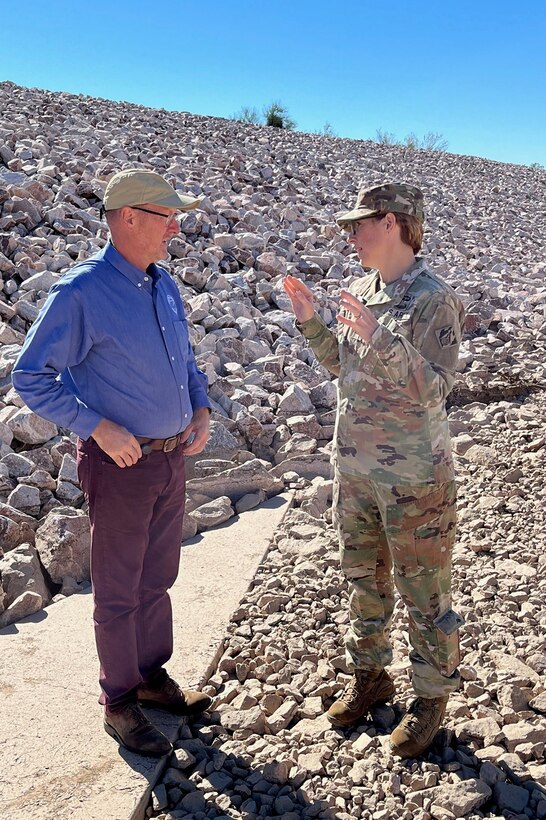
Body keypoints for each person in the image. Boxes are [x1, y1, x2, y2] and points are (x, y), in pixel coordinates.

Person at [13, 169, 213, 757]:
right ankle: (119, 700)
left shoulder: (163, 284)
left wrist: (199, 407)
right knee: (120, 590)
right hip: (121, 467)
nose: (176, 226)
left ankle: (151, 678)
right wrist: (96, 426)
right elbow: (31, 376)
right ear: (128, 218)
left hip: (170, 460)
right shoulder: (81, 293)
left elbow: (185, 360)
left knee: (158, 578)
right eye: (166, 215)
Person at [283, 182, 465, 758]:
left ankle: (432, 696)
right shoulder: (364, 290)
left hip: (414, 478)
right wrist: (313, 322)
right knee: (364, 580)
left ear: (393, 224)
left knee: (423, 591)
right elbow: (341, 364)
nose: (351, 235)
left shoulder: (435, 298)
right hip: (357, 471)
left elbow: (436, 390)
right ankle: (371, 677)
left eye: (359, 224)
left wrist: (380, 338)